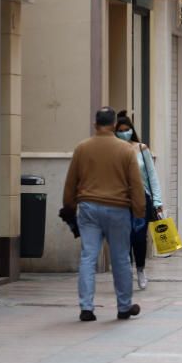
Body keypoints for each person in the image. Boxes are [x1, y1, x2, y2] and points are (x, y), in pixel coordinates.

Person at [63, 107, 145, 321]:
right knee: (120, 258)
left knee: (88, 257)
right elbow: (136, 184)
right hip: (118, 209)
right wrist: (139, 211)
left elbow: (71, 181)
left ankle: (86, 307)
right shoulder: (126, 150)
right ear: (114, 125)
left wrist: (69, 207)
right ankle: (124, 306)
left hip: (89, 208)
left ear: (95, 124)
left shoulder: (82, 148)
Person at [115, 112, 163, 290]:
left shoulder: (142, 149)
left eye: (127, 129)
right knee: (123, 238)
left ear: (131, 130)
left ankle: (140, 269)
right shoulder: (113, 150)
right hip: (119, 200)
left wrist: (157, 201)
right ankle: (126, 270)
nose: (124, 133)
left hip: (141, 199)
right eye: (120, 130)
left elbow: (152, 176)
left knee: (139, 238)